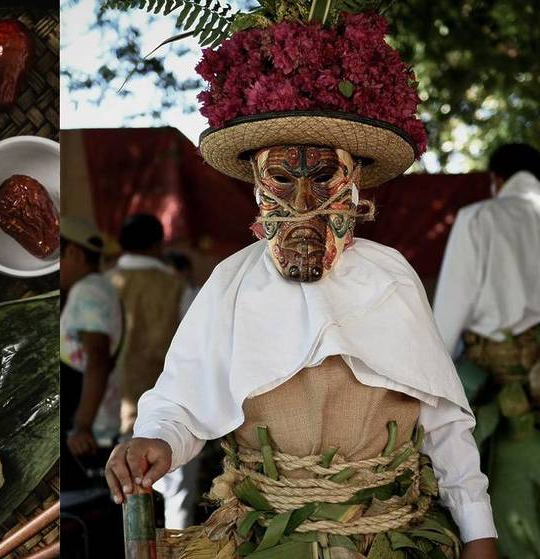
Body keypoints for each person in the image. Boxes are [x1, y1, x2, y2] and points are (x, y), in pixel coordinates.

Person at [105, 6, 497, 557]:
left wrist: (480, 534)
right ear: (258, 191)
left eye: (323, 179)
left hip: (390, 538)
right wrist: (156, 440)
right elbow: (181, 403)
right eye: (283, 179)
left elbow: (444, 425)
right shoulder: (231, 283)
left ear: (355, 185)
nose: (303, 205)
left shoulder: (392, 279)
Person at [433, 143, 540, 556]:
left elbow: (447, 325)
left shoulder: (481, 218)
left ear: (497, 179)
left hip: (498, 395)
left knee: (504, 497)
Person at [106, 214, 198, 530]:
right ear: (159, 245)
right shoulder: (177, 289)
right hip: (168, 413)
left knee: (124, 497)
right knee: (176, 501)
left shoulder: (101, 285)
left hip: (106, 413)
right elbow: (195, 353)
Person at [60, 218, 123, 474]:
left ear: (74, 253)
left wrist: (82, 426)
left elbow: (97, 358)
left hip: (89, 432)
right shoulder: (97, 288)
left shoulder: (89, 292)